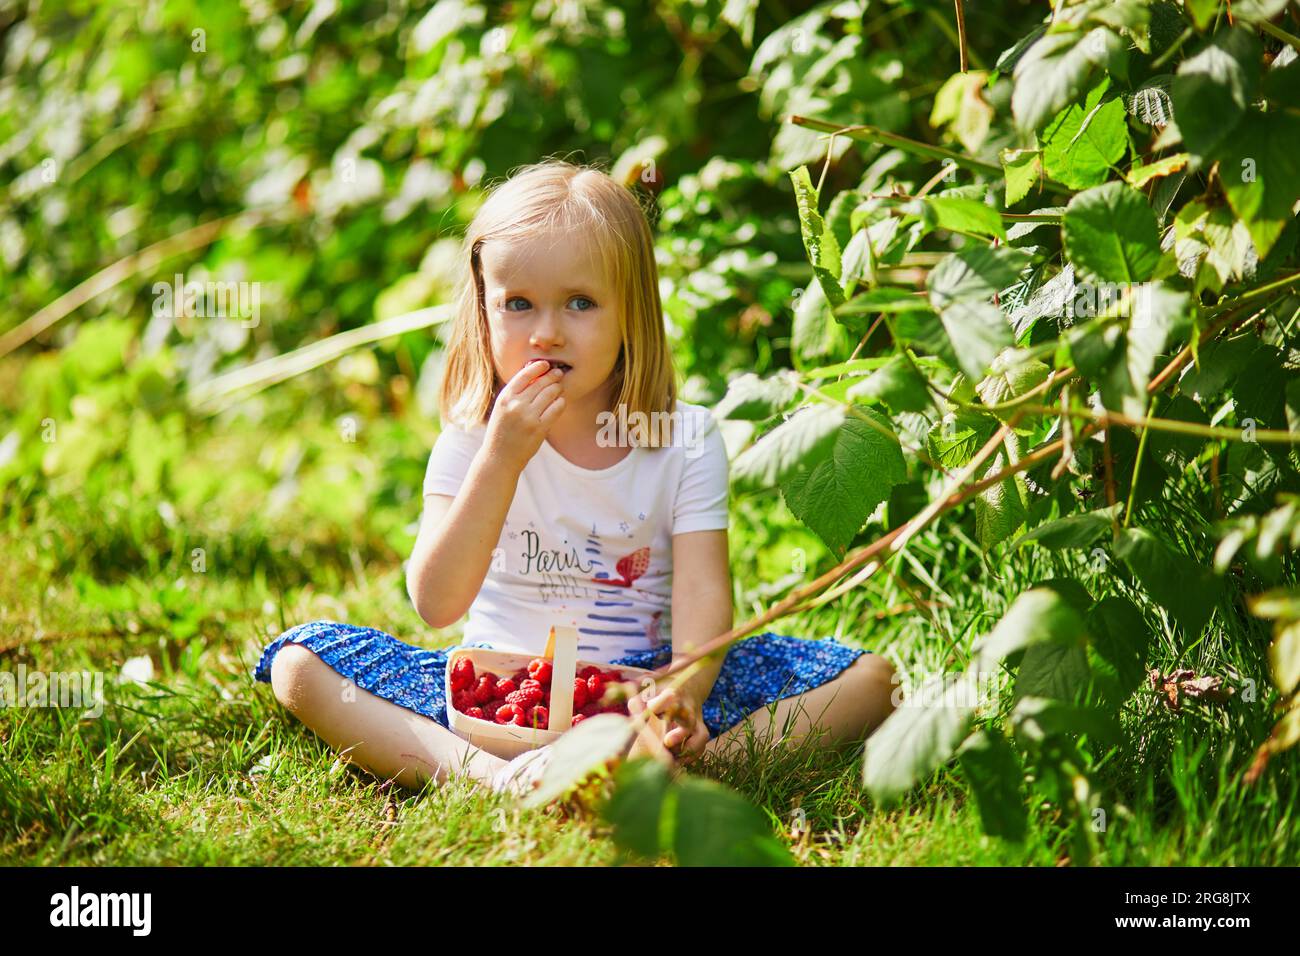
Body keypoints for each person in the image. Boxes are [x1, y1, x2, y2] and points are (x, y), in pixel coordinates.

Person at [253, 159, 898, 798]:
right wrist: (501, 461)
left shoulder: (683, 438)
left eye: (581, 303)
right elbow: (436, 603)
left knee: (872, 680)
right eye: (519, 304)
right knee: (300, 665)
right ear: (484, 310)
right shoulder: (472, 438)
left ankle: (679, 765)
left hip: (638, 687)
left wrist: (685, 695)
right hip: (498, 690)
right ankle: (498, 779)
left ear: (631, 312)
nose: (546, 333)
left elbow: (704, 597)